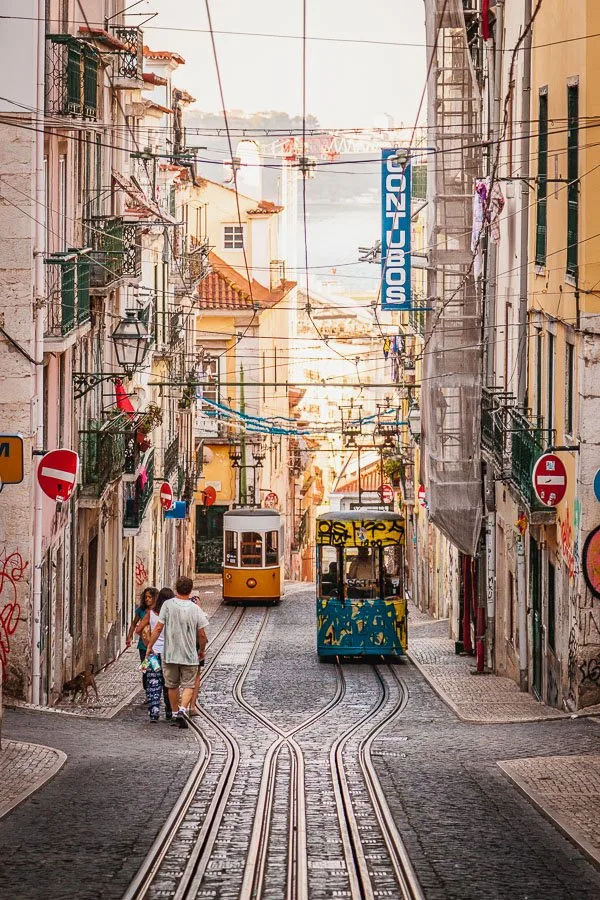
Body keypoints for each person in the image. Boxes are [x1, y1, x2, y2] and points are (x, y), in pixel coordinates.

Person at [145, 575, 208, 730]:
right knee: (189, 685)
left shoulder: (167, 605)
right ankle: (182, 710)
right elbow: (202, 635)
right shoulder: (195, 609)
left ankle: (174, 713)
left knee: (172, 685)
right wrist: (201, 650)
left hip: (170, 654)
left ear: (176, 588)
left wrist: (149, 646)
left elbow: (158, 628)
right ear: (190, 590)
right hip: (188, 655)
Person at [136, 587, 174, 722]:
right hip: (169, 655)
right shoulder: (173, 614)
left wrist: (148, 645)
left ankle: (154, 712)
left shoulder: (151, 613)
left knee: (153, 683)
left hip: (153, 655)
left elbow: (138, 629)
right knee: (169, 683)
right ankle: (170, 712)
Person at [126, 587, 158, 691]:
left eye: (150, 597)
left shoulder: (158, 610)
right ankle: (147, 691)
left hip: (155, 646)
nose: (147, 599)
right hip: (143, 647)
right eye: (146, 597)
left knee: (155, 668)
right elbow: (134, 624)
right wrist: (129, 637)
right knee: (145, 669)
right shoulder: (140, 611)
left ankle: (154, 690)